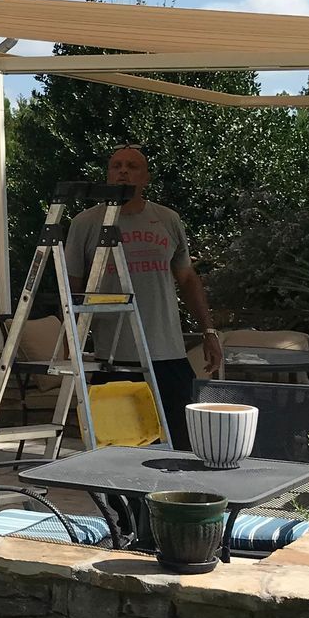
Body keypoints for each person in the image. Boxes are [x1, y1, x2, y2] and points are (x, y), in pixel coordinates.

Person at [64, 144, 221, 450]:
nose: (123, 171)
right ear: (108, 175)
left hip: (168, 353)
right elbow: (72, 288)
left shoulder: (167, 219)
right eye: (116, 165)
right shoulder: (85, 224)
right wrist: (74, 341)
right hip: (114, 358)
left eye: (132, 166)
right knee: (118, 449)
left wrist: (209, 331)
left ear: (146, 177)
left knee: (183, 444)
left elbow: (187, 278)